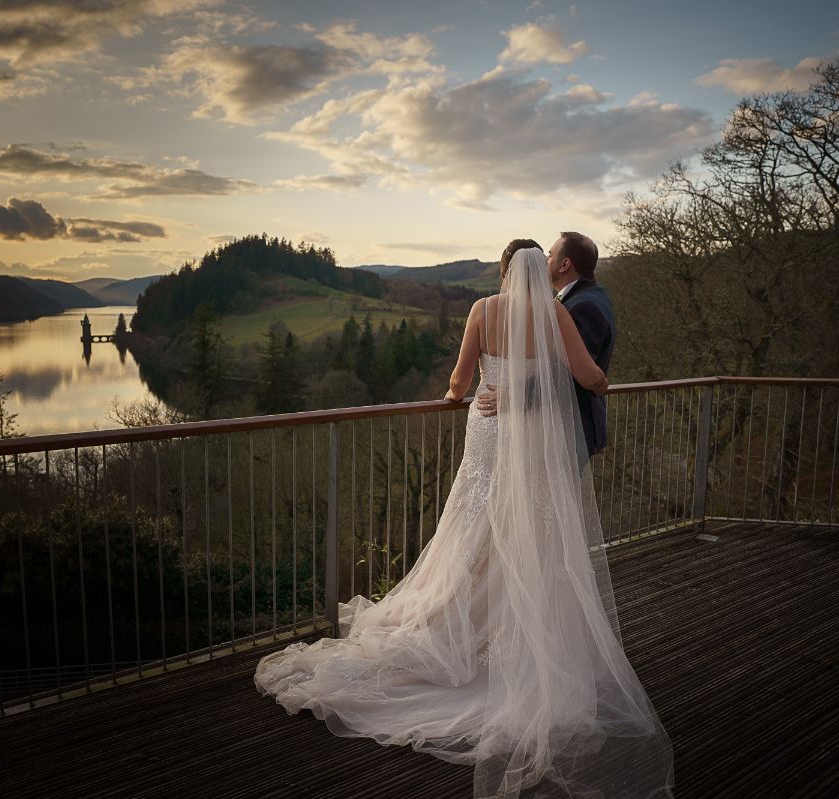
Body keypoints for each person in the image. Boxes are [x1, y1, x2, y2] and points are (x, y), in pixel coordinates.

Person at [253, 246, 673, 799]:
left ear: (502, 270)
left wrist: (461, 396)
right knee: (530, 536)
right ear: (538, 270)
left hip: (487, 431)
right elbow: (592, 378)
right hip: (534, 438)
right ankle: (506, 638)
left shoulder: (481, 309)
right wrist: (577, 386)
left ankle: (459, 629)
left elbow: (458, 381)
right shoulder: (556, 314)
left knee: (469, 531)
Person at [477, 232, 616, 462]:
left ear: (565, 264)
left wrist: (515, 395)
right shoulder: (584, 297)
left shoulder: (582, 306)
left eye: (550, 255)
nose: (545, 260)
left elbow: (566, 371)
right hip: (551, 423)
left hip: (570, 426)